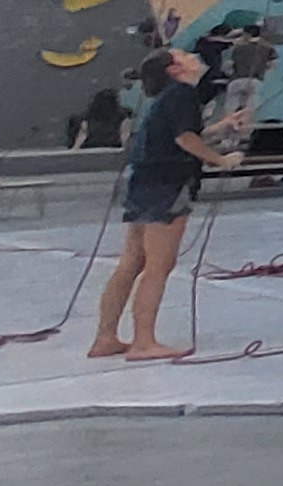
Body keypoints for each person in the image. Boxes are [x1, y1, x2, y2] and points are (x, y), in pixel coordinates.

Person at [87, 49, 243, 361]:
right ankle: (144, 342)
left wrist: (220, 127)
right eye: (184, 54)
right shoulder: (183, 94)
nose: (193, 55)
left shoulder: (169, 97)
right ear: (175, 69)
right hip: (167, 185)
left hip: (144, 182)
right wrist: (221, 160)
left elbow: (180, 134)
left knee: (132, 262)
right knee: (159, 265)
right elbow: (185, 140)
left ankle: (105, 337)